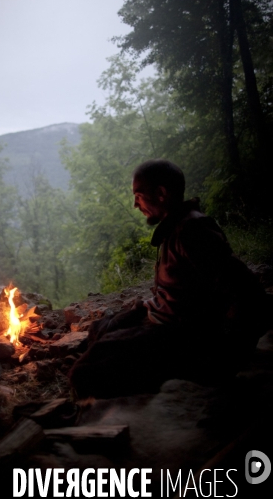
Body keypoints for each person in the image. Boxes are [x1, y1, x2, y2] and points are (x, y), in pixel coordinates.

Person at [69, 159, 270, 398]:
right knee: (99, 329)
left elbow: (247, 293)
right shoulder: (176, 227)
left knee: (82, 374)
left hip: (178, 336)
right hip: (160, 318)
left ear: (161, 193)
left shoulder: (194, 232)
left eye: (139, 195)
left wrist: (226, 354)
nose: (135, 204)